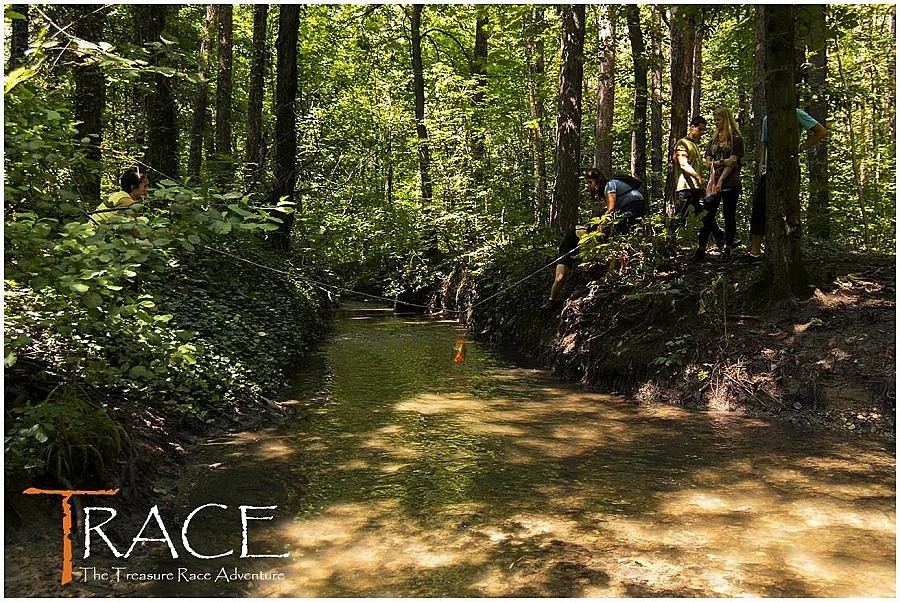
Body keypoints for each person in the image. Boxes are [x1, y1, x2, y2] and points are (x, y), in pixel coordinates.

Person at [750, 108, 827, 257]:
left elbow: (821, 131)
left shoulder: (796, 113)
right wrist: (761, 163)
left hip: (789, 170)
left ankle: (788, 251)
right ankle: (755, 251)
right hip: (769, 171)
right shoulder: (768, 118)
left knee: (788, 210)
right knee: (759, 208)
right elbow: (764, 143)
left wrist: (801, 147)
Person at [673, 116, 724, 261]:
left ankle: (720, 240)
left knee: (706, 216)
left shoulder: (694, 145)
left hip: (697, 189)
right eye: (699, 129)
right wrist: (698, 177)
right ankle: (666, 245)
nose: (702, 132)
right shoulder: (682, 143)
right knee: (679, 217)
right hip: (685, 188)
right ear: (692, 126)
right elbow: (683, 164)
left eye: (704, 130)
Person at [704, 107, 745, 260]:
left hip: (730, 182)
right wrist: (721, 162)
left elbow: (733, 162)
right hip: (713, 182)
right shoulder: (713, 140)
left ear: (726, 120)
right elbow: (708, 162)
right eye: (714, 120)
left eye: (718, 120)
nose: (716, 123)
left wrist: (721, 179)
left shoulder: (735, 138)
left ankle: (727, 247)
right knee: (708, 213)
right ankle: (707, 246)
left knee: (729, 214)